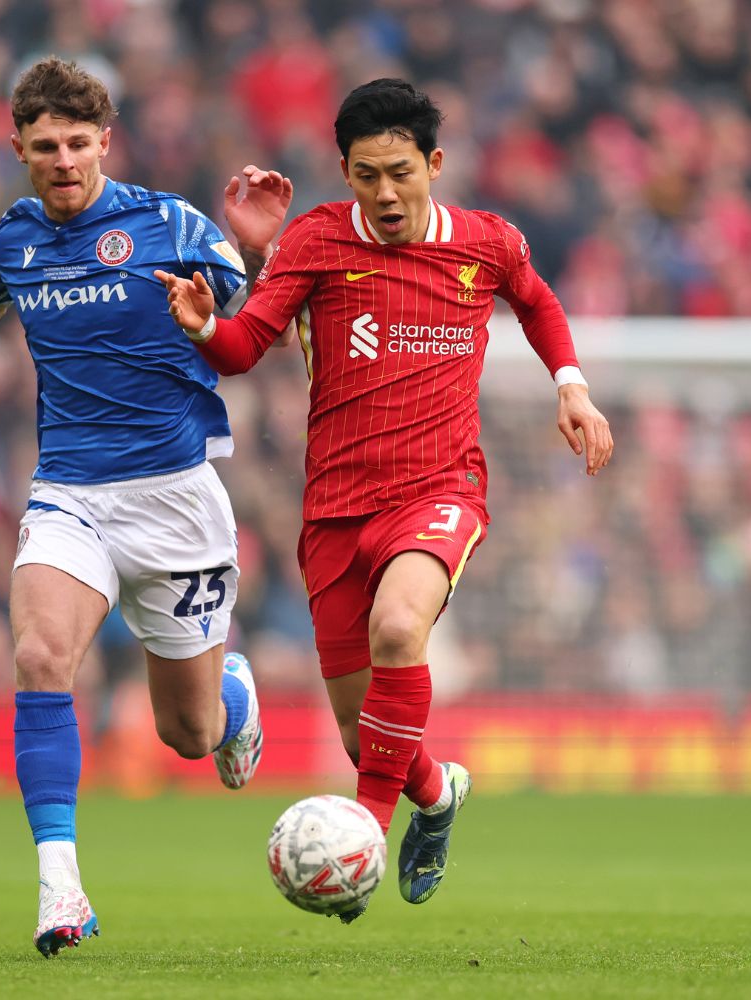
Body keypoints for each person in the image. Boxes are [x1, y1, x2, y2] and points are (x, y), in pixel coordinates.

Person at [0, 57, 289, 957]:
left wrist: (260, 253)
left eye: (79, 143)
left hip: (177, 500)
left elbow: (259, 329)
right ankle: (60, 890)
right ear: (19, 150)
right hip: (69, 493)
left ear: (104, 143)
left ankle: (233, 702)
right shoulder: (18, 237)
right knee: (40, 657)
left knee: (187, 735)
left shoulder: (172, 224)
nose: (64, 160)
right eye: (46, 147)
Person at [157, 78, 614, 920]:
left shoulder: (488, 244)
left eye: (400, 171)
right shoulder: (316, 240)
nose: (385, 192)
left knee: (401, 628)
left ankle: (363, 835)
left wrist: (573, 387)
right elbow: (243, 348)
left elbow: (539, 301)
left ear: (434, 163)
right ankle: (436, 798)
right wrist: (200, 327)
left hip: (441, 491)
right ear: (344, 171)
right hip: (334, 511)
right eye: (365, 175)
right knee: (365, 737)